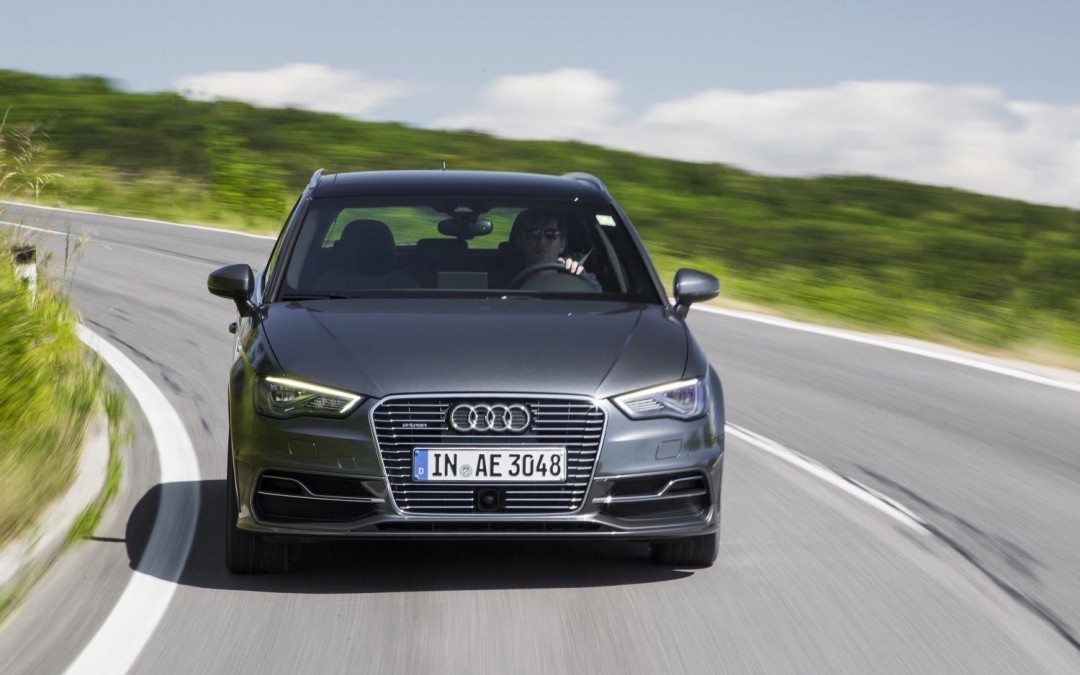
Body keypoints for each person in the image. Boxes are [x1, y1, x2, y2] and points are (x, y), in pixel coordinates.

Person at [498, 208, 601, 291]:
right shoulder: (502, 283)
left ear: (562, 244)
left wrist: (580, 275)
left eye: (550, 234)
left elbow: (598, 302)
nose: (541, 241)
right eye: (532, 234)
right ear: (519, 242)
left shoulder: (578, 278)